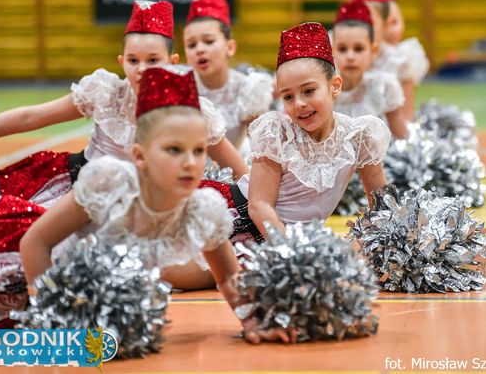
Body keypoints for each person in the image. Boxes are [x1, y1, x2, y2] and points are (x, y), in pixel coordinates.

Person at [19, 66, 295, 344]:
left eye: (199, 150)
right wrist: (54, 324)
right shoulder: (110, 184)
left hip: (100, 317)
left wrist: (253, 322)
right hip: (24, 282)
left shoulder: (202, 211)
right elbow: (35, 243)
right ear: (139, 156)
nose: (189, 162)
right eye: (174, 150)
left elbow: (228, 279)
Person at [0, 0, 247, 216]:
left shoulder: (193, 111)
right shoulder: (106, 93)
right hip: (78, 190)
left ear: (172, 62)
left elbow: (240, 172)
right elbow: (31, 116)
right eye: (133, 60)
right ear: (122, 61)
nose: (142, 69)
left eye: (153, 60)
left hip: (150, 207)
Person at [229, 22, 391, 242]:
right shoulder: (278, 132)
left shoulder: (359, 136)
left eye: (309, 91)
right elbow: (259, 206)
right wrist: (293, 253)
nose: (299, 103)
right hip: (240, 221)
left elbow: (383, 210)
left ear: (335, 86)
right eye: (288, 96)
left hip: (293, 241)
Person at [183, 0, 274, 150]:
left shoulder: (249, 90)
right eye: (191, 45)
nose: (199, 49)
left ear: (230, 47)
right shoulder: (180, 88)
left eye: (209, 41)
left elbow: (261, 147)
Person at [351, 0, 428, 121]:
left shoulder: (404, 58)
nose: (390, 31)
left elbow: (407, 114)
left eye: (394, 22)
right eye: (381, 24)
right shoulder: (350, 55)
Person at [332, 0, 408, 139]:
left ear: (373, 51)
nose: (350, 57)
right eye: (342, 49)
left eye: (358, 49)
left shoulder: (384, 87)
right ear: (332, 51)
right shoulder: (324, 89)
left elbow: (402, 137)